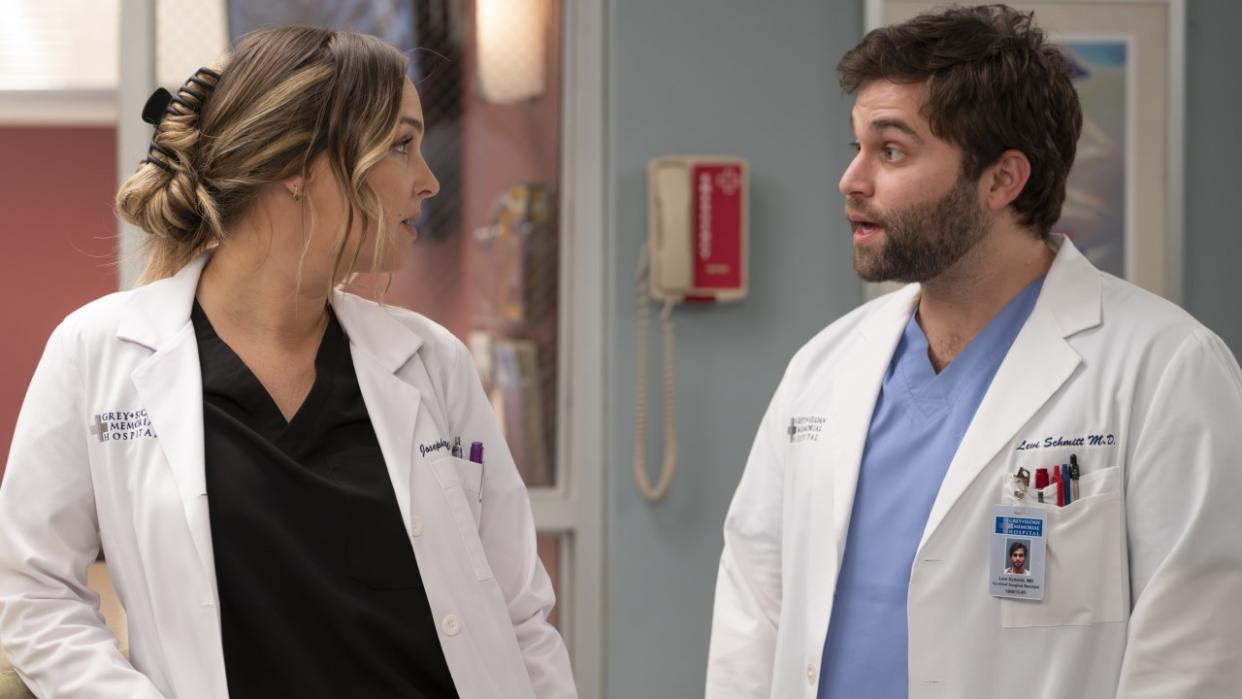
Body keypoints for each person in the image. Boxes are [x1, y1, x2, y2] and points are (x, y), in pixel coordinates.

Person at [0, 26, 576, 699]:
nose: (429, 180)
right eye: (399, 145)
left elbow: (518, 614)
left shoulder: (431, 365)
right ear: (297, 165)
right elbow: (32, 588)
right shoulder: (100, 353)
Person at [705, 5, 1242, 698]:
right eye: (856, 148)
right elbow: (754, 609)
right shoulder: (823, 368)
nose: (852, 181)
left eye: (891, 151)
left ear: (1001, 180)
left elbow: (1197, 652)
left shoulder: (1167, 369)